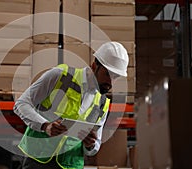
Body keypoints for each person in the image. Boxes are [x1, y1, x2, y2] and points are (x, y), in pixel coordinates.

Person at [13, 41, 129, 169]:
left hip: (70, 164)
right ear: (95, 65)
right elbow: (21, 104)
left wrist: (90, 145)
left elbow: (95, 146)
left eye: (116, 77)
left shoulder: (102, 103)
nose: (110, 83)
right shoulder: (60, 75)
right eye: (108, 74)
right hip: (37, 159)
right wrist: (45, 125)